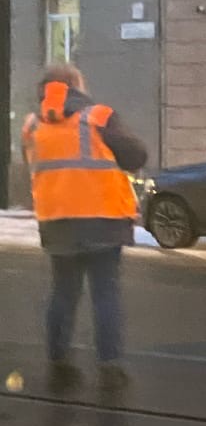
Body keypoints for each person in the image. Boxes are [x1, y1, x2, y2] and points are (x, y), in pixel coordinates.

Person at [22, 63, 147, 391]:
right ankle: (110, 364)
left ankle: (58, 357)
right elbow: (136, 156)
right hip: (103, 219)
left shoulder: (32, 125)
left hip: (57, 220)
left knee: (63, 291)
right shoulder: (100, 117)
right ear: (75, 85)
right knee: (105, 292)